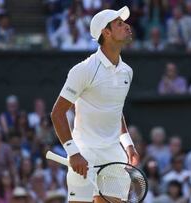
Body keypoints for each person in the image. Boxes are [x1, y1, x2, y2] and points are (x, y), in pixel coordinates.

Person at [50, 6, 139, 203]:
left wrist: (128, 144)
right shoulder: (83, 70)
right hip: (85, 154)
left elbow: (116, 112)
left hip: (115, 155)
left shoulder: (127, 72)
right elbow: (57, 113)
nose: (127, 26)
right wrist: (73, 153)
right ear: (106, 33)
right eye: (119, 24)